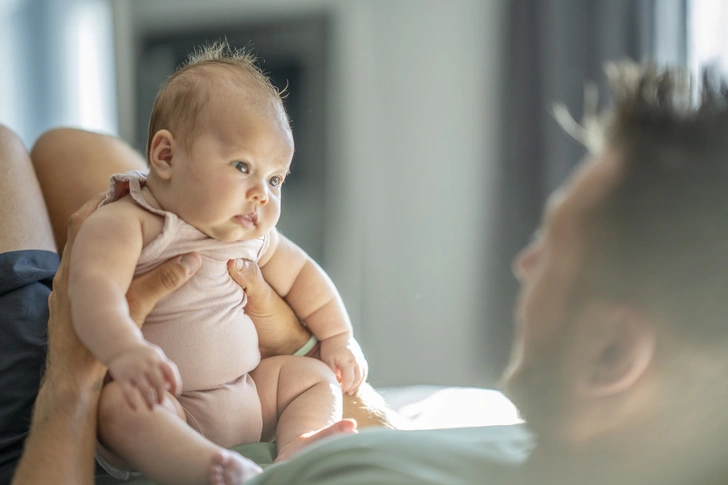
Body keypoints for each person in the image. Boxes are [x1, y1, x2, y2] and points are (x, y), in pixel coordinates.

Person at [10, 58, 728, 485]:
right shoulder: (605, 450)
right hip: (211, 356)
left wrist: (72, 374)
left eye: (550, 246)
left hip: (88, 416)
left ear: (611, 353)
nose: (523, 260)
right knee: (73, 150)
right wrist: (304, 342)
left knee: (9, 152)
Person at [64, 43, 368, 483]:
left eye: (275, 178)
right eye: (243, 166)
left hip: (247, 393)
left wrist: (340, 337)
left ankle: (299, 445)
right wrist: (124, 350)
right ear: (166, 157)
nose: (262, 192)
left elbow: (304, 275)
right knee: (117, 408)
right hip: (170, 404)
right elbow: (92, 292)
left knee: (312, 376)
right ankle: (208, 468)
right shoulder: (131, 221)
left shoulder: (253, 236)